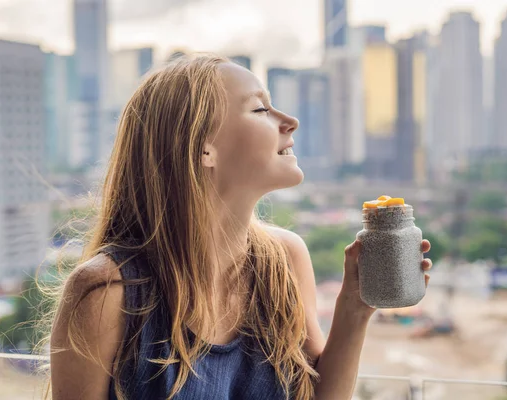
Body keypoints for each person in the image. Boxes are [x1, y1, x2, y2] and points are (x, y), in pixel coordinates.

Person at [48, 54, 433, 400]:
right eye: (261, 109)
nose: (290, 121)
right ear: (204, 148)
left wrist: (355, 305)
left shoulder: (285, 258)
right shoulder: (104, 293)